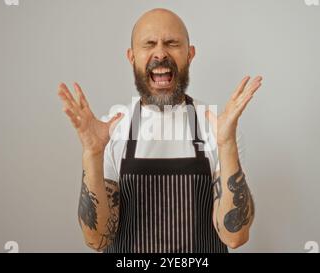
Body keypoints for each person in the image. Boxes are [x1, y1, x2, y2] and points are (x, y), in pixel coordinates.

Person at [57, 8, 263, 253]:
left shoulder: (216, 129)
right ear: (132, 57)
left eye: (172, 43)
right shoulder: (114, 129)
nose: (161, 53)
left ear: (190, 54)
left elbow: (235, 237)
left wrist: (227, 144)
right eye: (149, 44)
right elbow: (97, 239)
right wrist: (92, 154)